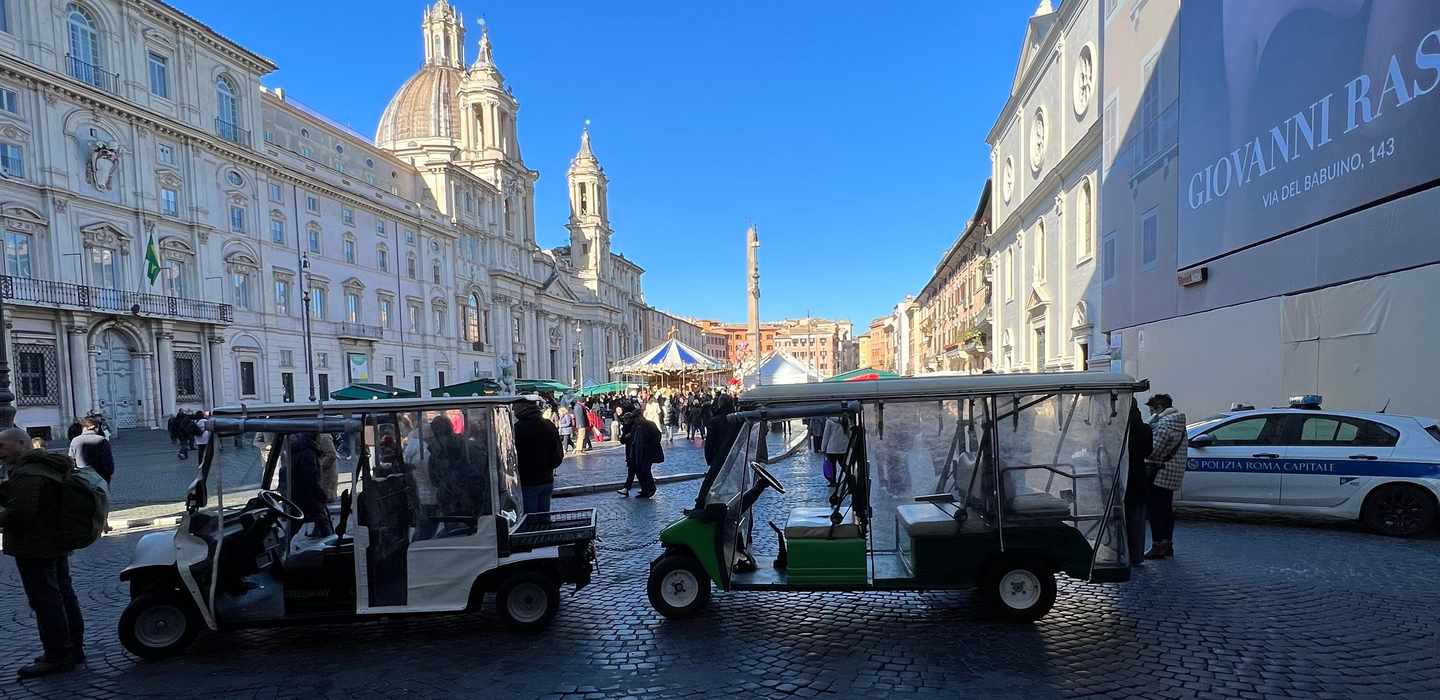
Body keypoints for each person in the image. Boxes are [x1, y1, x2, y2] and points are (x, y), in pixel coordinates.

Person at [0, 427, 86, 678]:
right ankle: (74, 648)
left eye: (2, 447)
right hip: (55, 541)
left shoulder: (28, 472)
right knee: (63, 594)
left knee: (45, 600)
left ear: (20, 443)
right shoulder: (45, 465)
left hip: (36, 546)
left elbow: (21, 513)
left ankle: (57, 655)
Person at [1144, 394, 1188, 560]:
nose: (1150, 414)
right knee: (1166, 511)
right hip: (1172, 472)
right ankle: (1167, 545)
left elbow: (1153, 451)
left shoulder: (1163, 425)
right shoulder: (1179, 423)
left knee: (1156, 512)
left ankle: (1157, 546)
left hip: (1159, 472)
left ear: (1158, 408)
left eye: (1151, 410)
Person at [514, 401, 563, 515]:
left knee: (530, 521)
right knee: (544, 519)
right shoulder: (548, 425)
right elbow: (558, 453)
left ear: (521, 409)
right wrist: (549, 467)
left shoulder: (518, 428)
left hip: (528, 481)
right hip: (546, 479)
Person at [283, 433, 333, 538]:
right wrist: (320, 493)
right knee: (320, 518)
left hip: (298, 493)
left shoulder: (296, 450)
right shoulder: (308, 452)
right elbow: (311, 477)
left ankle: (284, 545)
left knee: (316, 519)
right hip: (308, 494)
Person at [1123, 400, 1153, 568]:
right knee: (1137, 519)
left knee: (1121, 517)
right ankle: (1136, 555)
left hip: (1122, 475)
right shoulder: (1146, 429)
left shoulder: (1119, 430)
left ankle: (1122, 552)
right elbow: (1149, 451)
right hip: (1139, 475)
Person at [621, 408, 663, 498]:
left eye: (636, 418)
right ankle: (645, 490)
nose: (635, 420)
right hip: (637, 452)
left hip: (647, 452)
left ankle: (651, 489)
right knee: (640, 472)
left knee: (646, 471)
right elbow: (629, 440)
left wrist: (650, 445)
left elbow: (658, 436)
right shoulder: (635, 426)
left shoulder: (649, 424)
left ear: (640, 416)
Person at [68, 417, 114, 484]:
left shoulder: (75, 440)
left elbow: (70, 459)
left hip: (82, 475)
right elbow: (108, 459)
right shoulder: (102, 440)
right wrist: (109, 474)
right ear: (96, 428)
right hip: (100, 475)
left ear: (83, 428)